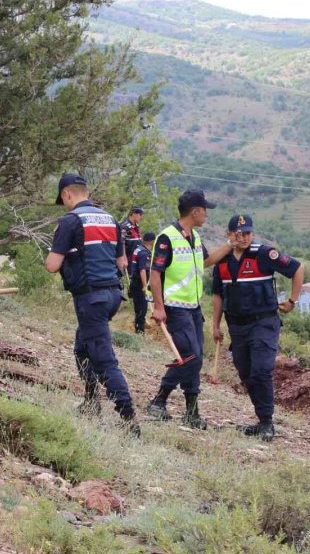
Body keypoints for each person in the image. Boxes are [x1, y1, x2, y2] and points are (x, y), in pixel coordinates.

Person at [44, 174, 140, 436]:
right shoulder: (110, 219)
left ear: (67, 195)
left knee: (104, 359)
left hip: (91, 298)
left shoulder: (70, 221)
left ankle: (128, 418)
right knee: (82, 348)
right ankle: (90, 402)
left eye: (62, 200)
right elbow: (122, 263)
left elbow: (52, 265)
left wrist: (61, 247)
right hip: (111, 297)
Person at [212, 214, 304, 442]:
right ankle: (260, 418)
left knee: (261, 370)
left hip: (263, 323)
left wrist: (292, 301)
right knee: (246, 373)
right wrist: (215, 325)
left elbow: (297, 269)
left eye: (248, 233)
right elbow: (217, 295)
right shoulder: (222, 261)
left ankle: (266, 422)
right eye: (238, 233)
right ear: (229, 234)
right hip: (236, 326)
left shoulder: (264, 254)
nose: (243, 237)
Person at [145, 189, 233, 429]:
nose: (207, 215)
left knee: (195, 357)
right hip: (175, 308)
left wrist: (229, 245)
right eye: (205, 210)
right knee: (191, 357)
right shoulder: (167, 237)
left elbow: (205, 261)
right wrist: (159, 307)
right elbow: (155, 272)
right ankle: (162, 401)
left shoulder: (193, 236)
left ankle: (189, 412)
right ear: (195, 212)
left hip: (193, 308)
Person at [129, 232, 155, 334]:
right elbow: (142, 270)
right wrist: (145, 286)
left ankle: (139, 327)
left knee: (139, 308)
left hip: (135, 283)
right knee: (141, 309)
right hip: (139, 284)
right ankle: (139, 332)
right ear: (152, 241)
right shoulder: (144, 253)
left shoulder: (138, 249)